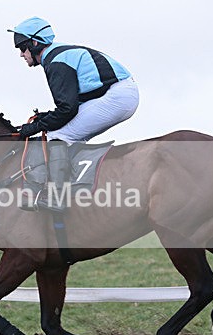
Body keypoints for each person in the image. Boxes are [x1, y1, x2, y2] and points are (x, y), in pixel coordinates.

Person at [8, 16, 139, 213]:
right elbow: (68, 106)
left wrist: (34, 127)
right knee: (61, 131)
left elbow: (67, 110)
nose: (20, 54)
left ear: (34, 43)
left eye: (21, 48)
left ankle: (57, 197)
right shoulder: (56, 56)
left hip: (118, 96)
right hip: (116, 93)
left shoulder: (55, 61)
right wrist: (43, 119)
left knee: (58, 136)